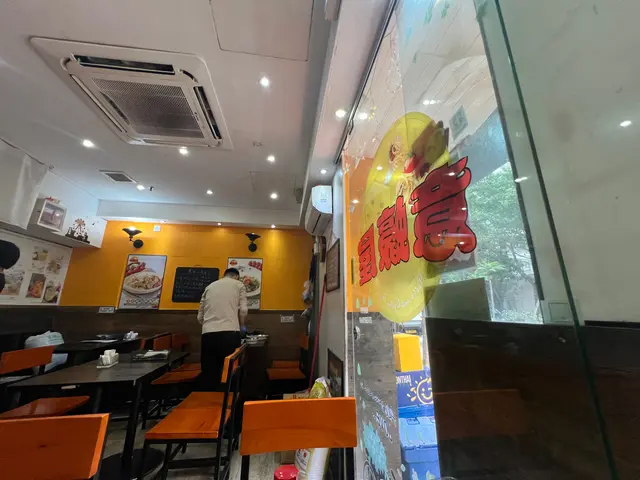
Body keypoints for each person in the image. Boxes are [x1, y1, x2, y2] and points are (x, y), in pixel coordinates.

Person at [197, 267, 248, 391]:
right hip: (230, 333)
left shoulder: (210, 287)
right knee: (231, 371)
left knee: (209, 372)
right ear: (236, 277)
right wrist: (242, 327)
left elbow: (199, 317)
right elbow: (243, 310)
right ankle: (228, 400)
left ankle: (209, 401)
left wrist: (209, 326)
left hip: (208, 334)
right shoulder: (238, 285)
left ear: (224, 275)